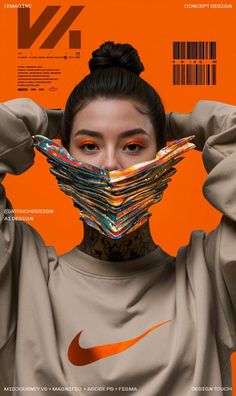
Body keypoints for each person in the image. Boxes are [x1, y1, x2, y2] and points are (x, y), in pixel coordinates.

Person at [0, 41, 235, 396]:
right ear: (64, 155)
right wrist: (48, 122)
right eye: (89, 145)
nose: (110, 165)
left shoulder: (210, 278)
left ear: (165, 154)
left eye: (133, 146)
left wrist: (187, 126)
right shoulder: (20, 275)